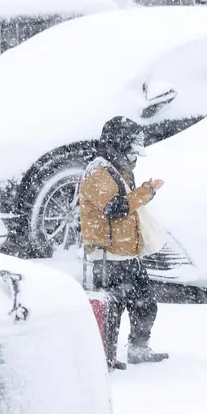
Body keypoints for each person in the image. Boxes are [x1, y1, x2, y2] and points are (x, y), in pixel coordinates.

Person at [80, 116, 168, 369]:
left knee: (145, 305)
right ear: (117, 145)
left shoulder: (118, 169)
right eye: (131, 150)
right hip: (108, 256)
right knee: (111, 312)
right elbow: (116, 207)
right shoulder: (97, 172)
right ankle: (103, 358)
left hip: (129, 253)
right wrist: (146, 192)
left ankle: (139, 348)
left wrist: (143, 190)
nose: (134, 157)